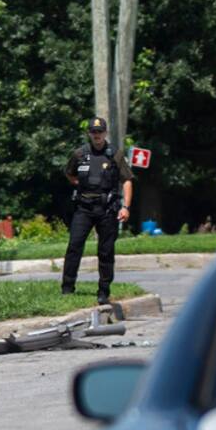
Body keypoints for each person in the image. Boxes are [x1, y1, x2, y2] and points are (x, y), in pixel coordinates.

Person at [61, 116, 134, 304]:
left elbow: (126, 180)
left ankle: (103, 291)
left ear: (105, 133)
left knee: (106, 251)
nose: (97, 135)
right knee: (74, 246)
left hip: (107, 209)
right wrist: (80, 186)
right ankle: (67, 288)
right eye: (93, 132)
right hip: (83, 208)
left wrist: (125, 206)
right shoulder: (79, 154)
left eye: (100, 132)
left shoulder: (115, 155)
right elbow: (69, 174)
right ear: (89, 134)